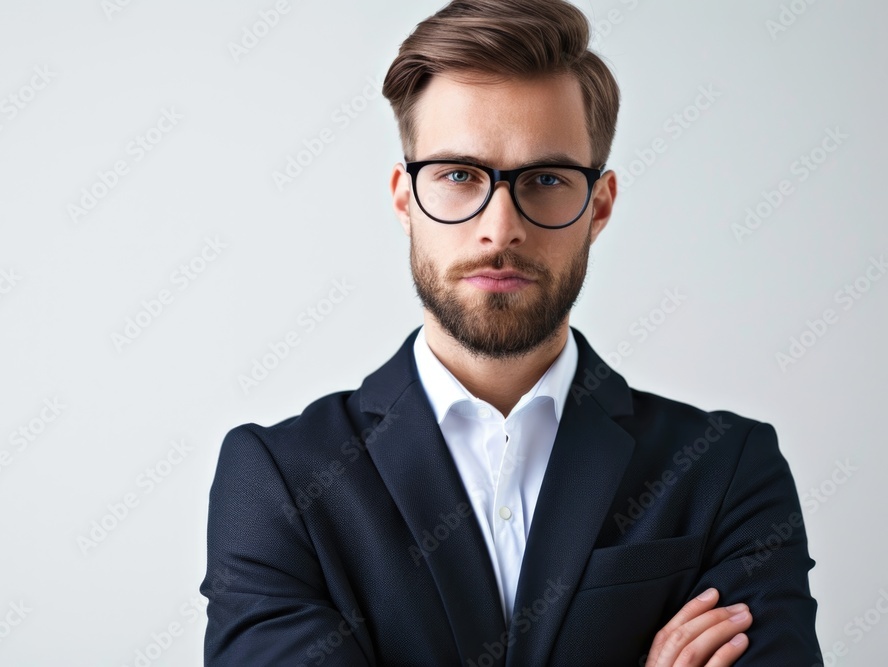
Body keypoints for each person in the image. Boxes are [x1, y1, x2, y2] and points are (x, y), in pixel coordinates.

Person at [200, 1, 820, 664]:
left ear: (599, 206)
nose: (501, 228)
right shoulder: (277, 480)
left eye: (546, 178)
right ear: (406, 199)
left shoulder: (726, 470)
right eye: (460, 176)